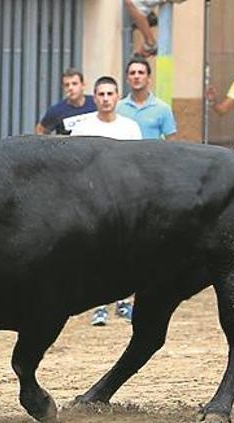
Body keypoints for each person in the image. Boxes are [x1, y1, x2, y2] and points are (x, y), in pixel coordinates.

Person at [71, 76, 141, 327]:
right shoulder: (83, 127)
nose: (106, 99)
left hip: (124, 199)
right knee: (94, 253)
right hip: (92, 200)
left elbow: (137, 164)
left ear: (117, 96)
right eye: (101, 94)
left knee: (128, 251)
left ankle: (125, 303)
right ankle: (98, 306)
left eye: (110, 94)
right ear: (95, 97)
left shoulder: (130, 127)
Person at [117, 57, 177, 140]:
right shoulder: (118, 108)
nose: (136, 76)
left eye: (141, 73)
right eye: (132, 73)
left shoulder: (163, 109)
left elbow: (171, 141)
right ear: (127, 79)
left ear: (149, 78)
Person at [35, 68, 97, 136]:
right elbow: (40, 130)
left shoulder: (96, 103)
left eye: (74, 84)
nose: (70, 88)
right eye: (67, 85)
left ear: (83, 85)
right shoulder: (56, 111)